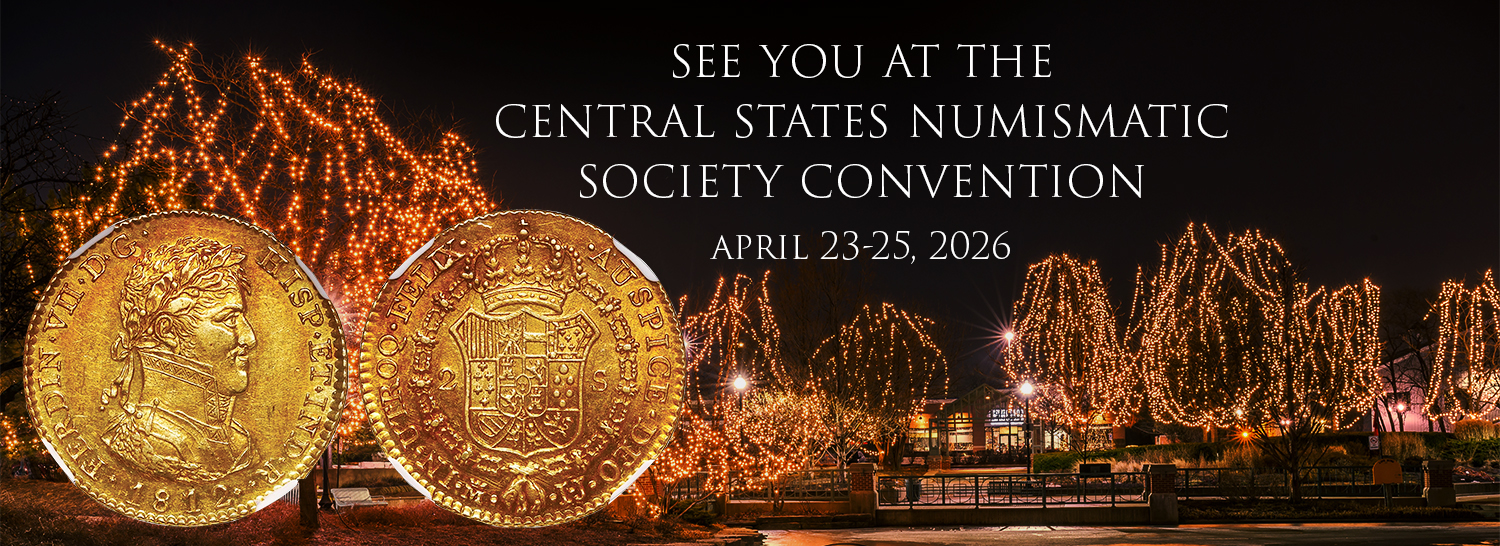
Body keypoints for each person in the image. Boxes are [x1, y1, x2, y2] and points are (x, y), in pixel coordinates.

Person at [99, 236, 258, 482]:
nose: (249, 338)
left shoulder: (239, 441)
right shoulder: (149, 444)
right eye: (228, 319)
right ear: (168, 331)